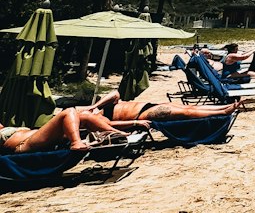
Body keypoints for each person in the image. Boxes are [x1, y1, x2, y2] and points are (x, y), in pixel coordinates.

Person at [1, 106, 123, 154]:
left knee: (84, 115)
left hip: (37, 136)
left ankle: (118, 134)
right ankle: (76, 143)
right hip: (25, 145)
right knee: (68, 112)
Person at [87, 90, 242, 126]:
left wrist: (94, 106)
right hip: (142, 115)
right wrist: (136, 124)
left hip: (148, 105)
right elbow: (111, 125)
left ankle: (223, 107)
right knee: (186, 112)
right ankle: (223, 112)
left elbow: (115, 93)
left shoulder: (102, 106)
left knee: (190, 106)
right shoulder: (95, 119)